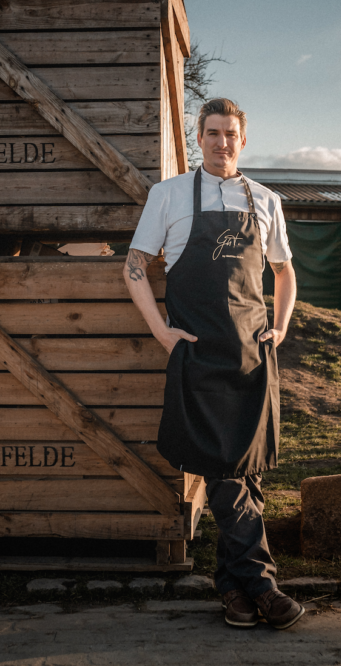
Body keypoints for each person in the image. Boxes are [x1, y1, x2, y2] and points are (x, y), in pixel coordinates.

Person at [122, 98, 302, 629]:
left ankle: (234, 592)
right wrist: (162, 332)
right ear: (198, 138)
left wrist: (282, 325)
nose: (223, 141)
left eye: (232, 134)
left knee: (245, 474)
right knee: (226, 471)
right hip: (198, 356)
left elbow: (285, 275)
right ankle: (264, 586)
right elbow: (134, 268)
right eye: (214, 132)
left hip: (251, 357)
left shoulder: (266, 200)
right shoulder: (170, 194)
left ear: (243, 140)